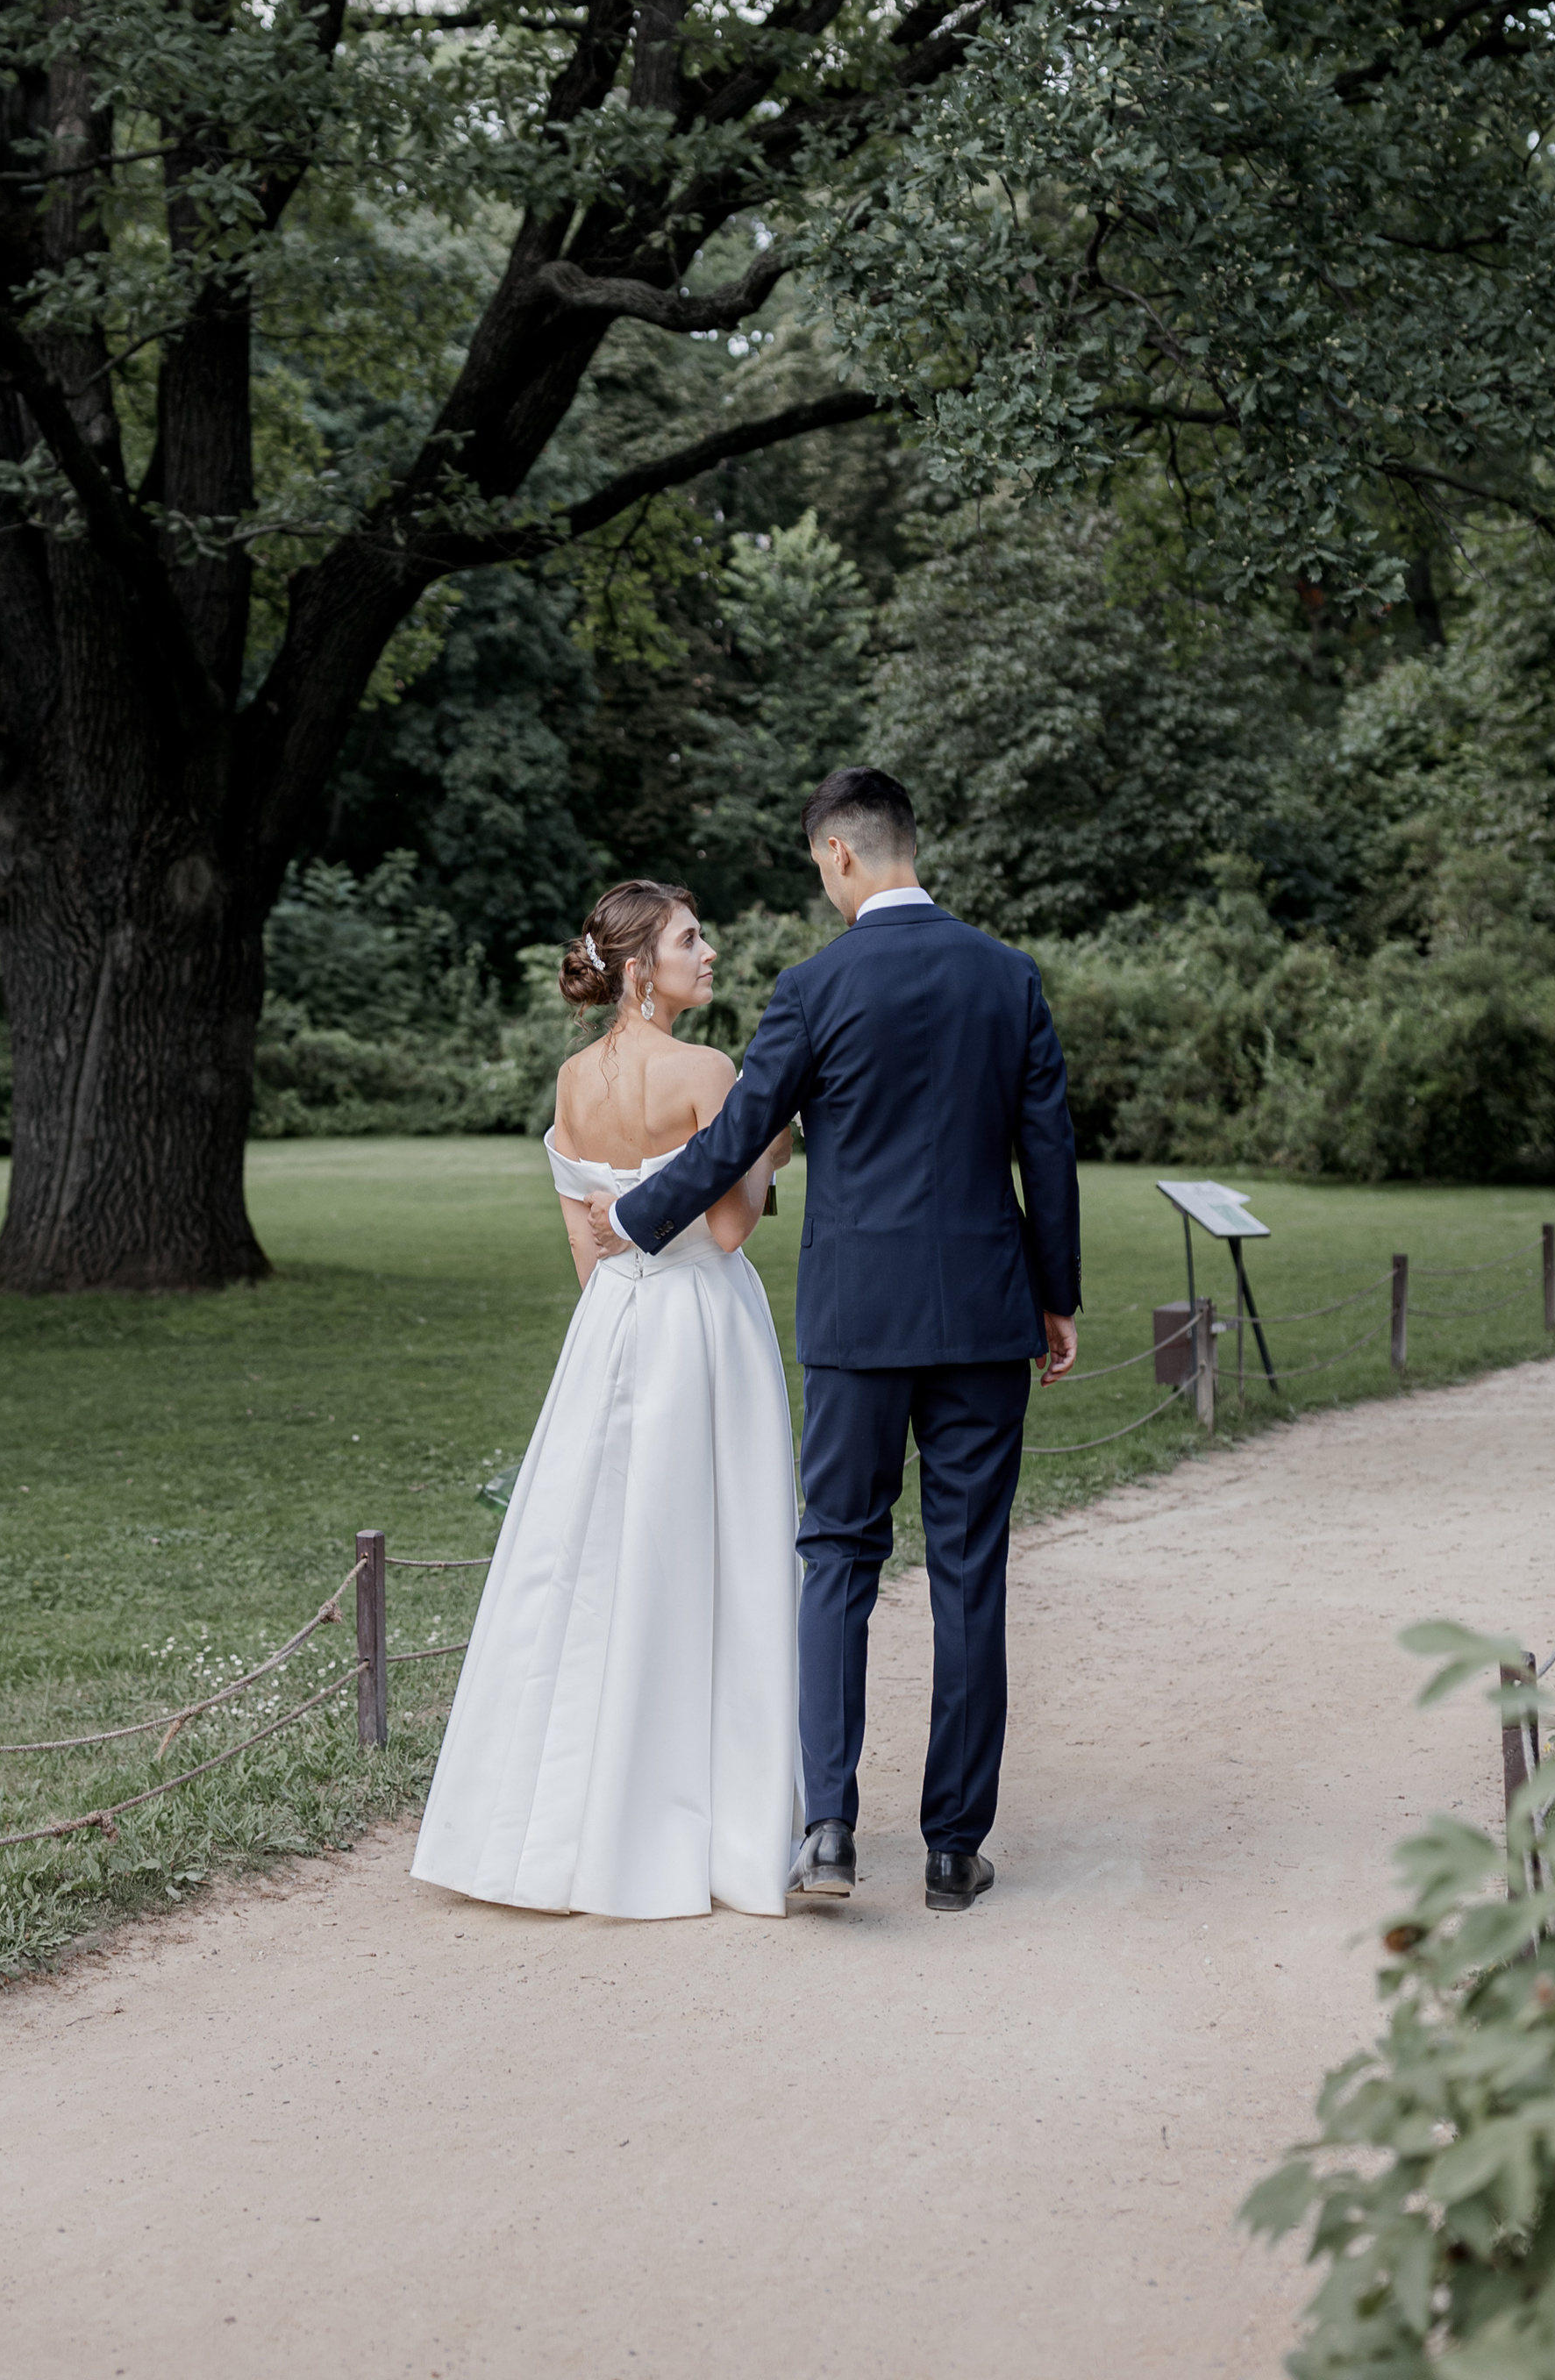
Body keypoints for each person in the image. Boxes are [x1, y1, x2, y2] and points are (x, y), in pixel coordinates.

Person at [585, 766, 1080, 1913]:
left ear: (844, 856)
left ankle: (826, 1832)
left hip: (858, 1320)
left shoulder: (816, 986)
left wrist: (637, 1218)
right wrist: (1058, 1300)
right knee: (968, 1572)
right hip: (984, 1316)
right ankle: (955, 1849)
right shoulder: (1008, 980)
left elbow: (743, 1133)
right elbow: (1044, 1154)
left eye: (819, 868)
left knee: (838, 1559)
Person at [410, 879, 800, 1920]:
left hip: (611, 1328)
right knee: (712, 1561)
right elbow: (725, 1232)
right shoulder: (708, 1070)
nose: (708, 952)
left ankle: (556, 1822)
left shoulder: (573, 1079)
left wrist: (623, 1305)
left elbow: (587, 1250)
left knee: (590, 1566)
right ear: (640, 968)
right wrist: (773, 1149)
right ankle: (705, 1817)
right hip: (704, 1329)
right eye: (689, 938)